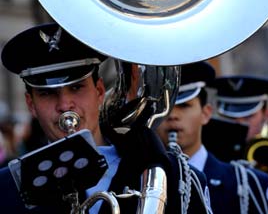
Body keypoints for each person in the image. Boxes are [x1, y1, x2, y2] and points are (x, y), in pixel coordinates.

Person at [0, 22, 211, 213]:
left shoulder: (175, 176)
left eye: (76, 87)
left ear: (100, 91)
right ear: (31, 104)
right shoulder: (6, 189)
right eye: (47, 94)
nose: (64, 105)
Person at [156, 61, 268, 214]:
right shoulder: (140, 180)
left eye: (185, 106)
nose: (173, 115)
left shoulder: (249, 184)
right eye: (165, 107)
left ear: (206, 113)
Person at [213, 74, 268, 213]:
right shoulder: (211, 153)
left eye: (248, 116)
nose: (239, 123)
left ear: (266, 113)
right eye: (229, 116)